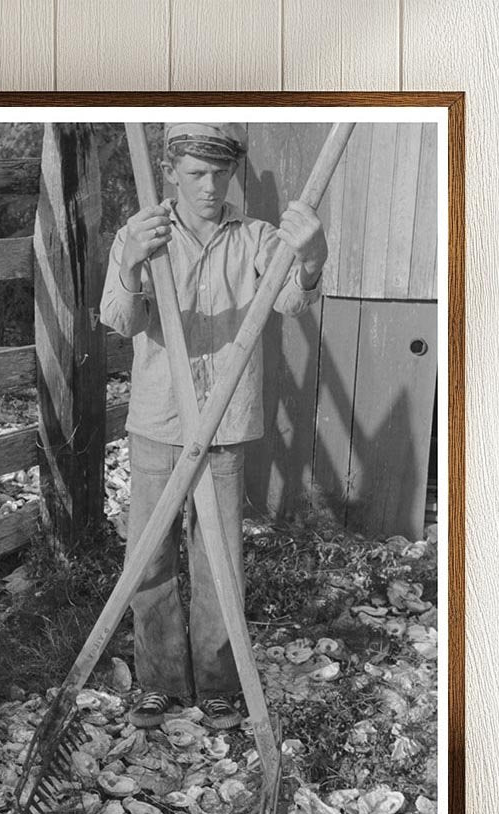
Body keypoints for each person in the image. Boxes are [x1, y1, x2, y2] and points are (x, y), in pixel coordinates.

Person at [99, 122, 327, 730]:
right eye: (195, 173)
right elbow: (120, 320)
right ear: (171, 171)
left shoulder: (254, 237)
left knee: (220, 560)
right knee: (147, 558)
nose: (208, 186)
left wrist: (310, 259)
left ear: (232, 174)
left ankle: (221, 684)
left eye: (218, 173)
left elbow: (290, 302)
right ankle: (160, 682)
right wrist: (130, 266)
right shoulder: (140, 232)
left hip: (225, 423)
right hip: (159, 419)